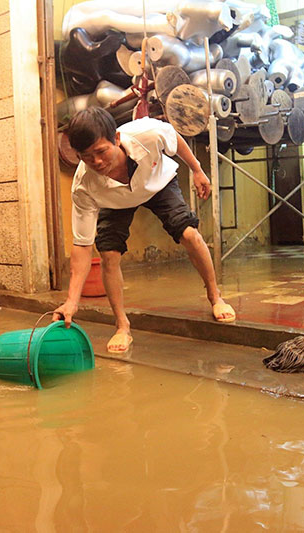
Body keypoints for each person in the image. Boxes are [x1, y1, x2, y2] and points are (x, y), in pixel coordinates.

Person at [51, 108, 236, 353]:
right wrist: (72, 301)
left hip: (156, 183)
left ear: (116, 139)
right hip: (113, 201)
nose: (96, 162)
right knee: (108, 255)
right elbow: (82, 246)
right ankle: (122, 326)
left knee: (190, 233)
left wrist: (197, 170)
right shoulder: (84, 186)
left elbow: (175, 139)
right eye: (86, 156)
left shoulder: (147, 133)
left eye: (101, 151)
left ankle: (215, 296)